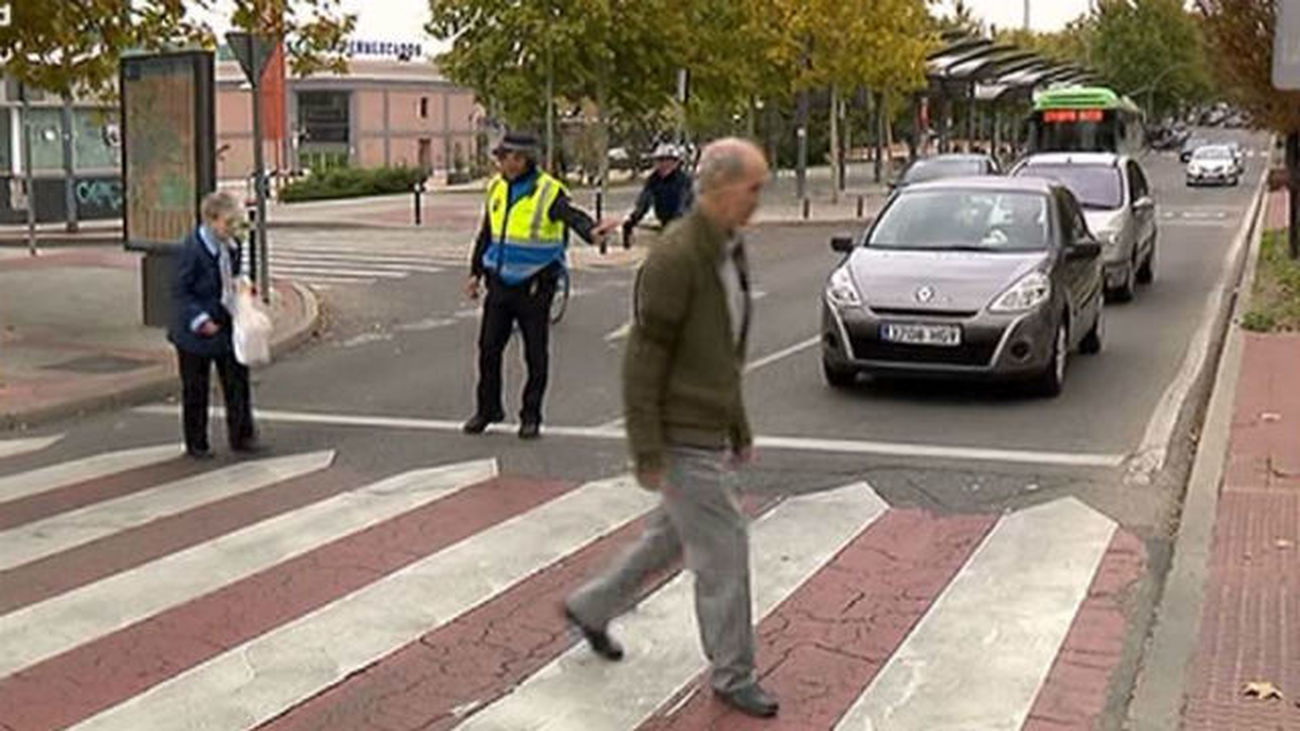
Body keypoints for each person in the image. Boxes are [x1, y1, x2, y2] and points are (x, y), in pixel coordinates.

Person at [563, 138, 778, 718]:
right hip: (681, 433)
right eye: (753, 187)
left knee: (670, 536)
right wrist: (647, 448)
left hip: (707, 426)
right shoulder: (679, 255)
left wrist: (738, 425)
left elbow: (721, 352)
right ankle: (734, 674)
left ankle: (591, 606)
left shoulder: (728, 249)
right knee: (725, 551)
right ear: (720, 186)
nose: (759, 199)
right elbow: (646, 355)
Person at [463, 132, 618, 439]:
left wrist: (592, 232)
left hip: (535, 284)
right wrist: (475, 272)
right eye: (501, 158)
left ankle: (531, 415)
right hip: (500, 282)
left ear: (522, 159)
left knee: (535, 353)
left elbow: (573, 217)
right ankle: (487, 409)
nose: (503, 163)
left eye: (507, 157)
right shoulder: (496, 187)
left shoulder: (548, 191)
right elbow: (487, 232)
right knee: (488, 349)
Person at [168, 190, 261, 459]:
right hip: (195, 330)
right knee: (196, 386)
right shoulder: (192, 249)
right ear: (211, 220)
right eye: (228, 222)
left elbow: (233, 275)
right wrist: (199, 319)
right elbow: (180, 291)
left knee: (236, 380)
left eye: (236, 223)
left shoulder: (231, 245)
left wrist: (243, 288)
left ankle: (242, 434)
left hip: (226, 320)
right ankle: (196, 442)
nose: (233, 229)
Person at [622, 143, 694, 245]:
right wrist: (632, 221)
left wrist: (676, 224)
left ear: (676, 163)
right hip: (666, 224)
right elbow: (644, 202)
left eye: (668, 161)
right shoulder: (653, 180)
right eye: (660, 160)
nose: (664, 165)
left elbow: (685, 203)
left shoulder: (684, 180)